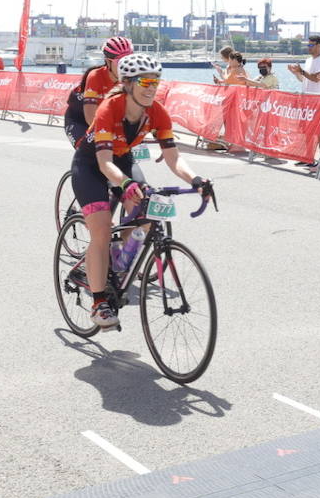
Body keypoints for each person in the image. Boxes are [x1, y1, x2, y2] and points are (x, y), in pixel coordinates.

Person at [69, 53, 214, 328]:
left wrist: (196, 180)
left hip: (122, 160)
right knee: (100, 230)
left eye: (156, 82)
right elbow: (104, 163)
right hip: (91, 165)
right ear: (127, 83)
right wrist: (125, 184)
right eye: (145, 81)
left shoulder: (157, 112)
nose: (151, 87)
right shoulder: (108, 109)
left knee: (146, 212)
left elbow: (173, 158)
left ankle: (119, 260)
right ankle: (99, 302)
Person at [62, 36, 132, 147]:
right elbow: (90, 118)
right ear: (108, 61)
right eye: (120, 63)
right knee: (90, 153)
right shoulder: (95, 76)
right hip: (79, 120)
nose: (126, 67)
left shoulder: (130, 78)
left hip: (104, 119)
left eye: (129, 61)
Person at [286, 36, 320, 166]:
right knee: (306, 130)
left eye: (311, 45)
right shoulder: (308, 60)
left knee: (319, 131)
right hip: (306, 99)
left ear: (319, 46)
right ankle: (307, 157)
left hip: (318, 99)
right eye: (308, 45)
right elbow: (304, 79)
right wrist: (296, 73)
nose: (309, 48)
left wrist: (301, 71)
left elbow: (316, 78)